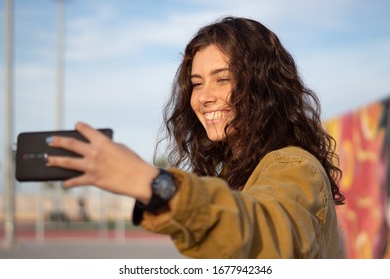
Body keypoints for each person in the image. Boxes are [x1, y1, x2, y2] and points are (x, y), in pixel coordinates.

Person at [45, 16, 345, 258]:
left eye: (223, 79)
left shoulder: (291, 164)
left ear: (265, 87)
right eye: (197, 83)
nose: (203, 98)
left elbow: (265, 232)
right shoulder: (240, 168)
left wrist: (155, 184)